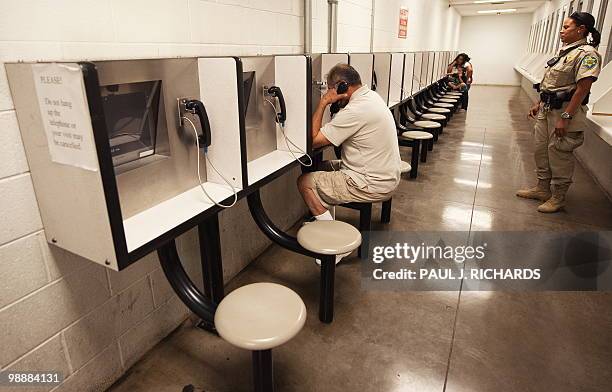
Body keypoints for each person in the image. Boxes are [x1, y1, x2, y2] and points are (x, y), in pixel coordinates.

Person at [297, 64, 401, 260]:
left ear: (342, 86)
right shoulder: (370, 96)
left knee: (304, 183)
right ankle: (325, 218)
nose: (329, 92)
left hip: (372, 182)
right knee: (322, 168)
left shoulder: (355, 110)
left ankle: (334, 244)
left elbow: (313, 139)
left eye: (330, 88)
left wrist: (324, 102)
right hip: (384, 173)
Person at [517, 12, 601, 213]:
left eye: (566, 27)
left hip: (564, 113)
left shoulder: (587, 54)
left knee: (559, 153)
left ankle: (558, 197)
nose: (561, 31)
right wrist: (539, 102)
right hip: (547, 109)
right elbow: (551, 84)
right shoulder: (565, 52)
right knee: (541, 150)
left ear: (581, 30)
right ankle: (542, 188)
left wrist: (566, 117)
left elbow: (583, 89)